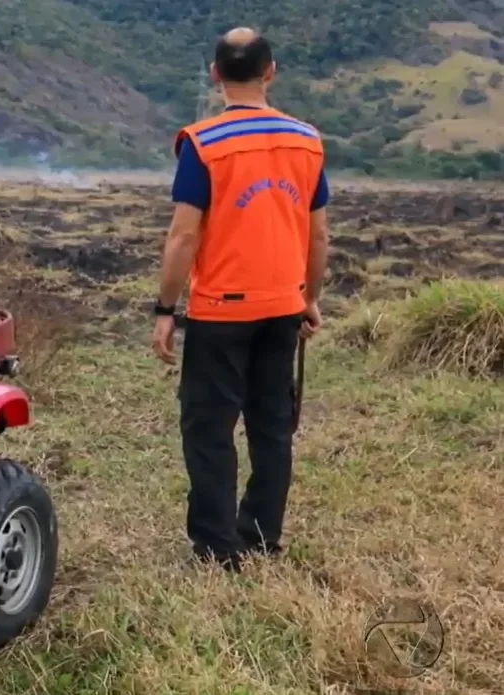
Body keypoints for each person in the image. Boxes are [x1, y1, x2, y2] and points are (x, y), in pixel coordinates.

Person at [150, 27, 330, 573]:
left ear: (215, 74)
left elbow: (184, 236)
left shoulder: (204, 144)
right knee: (272, 426)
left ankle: (216, 548)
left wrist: (164, 311)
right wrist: (309, 298)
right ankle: (261, 537)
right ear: (271, 71)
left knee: (208, 429)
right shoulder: (307, 141)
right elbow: (318, 234)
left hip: (221, 311)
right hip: (282, 306)